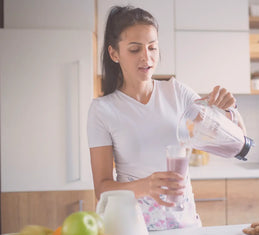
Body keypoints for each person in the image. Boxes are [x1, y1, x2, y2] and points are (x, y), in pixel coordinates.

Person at [87, 6, 245, 231]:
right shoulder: (103, 110)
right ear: (114, 54)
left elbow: (235, 144)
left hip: (185, 225)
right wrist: (145, 186)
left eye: (152, 48)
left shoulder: (177, 93)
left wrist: (230, 111)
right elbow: (102, 189)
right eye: (134, 49)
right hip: (133, 226)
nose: (146, 57)